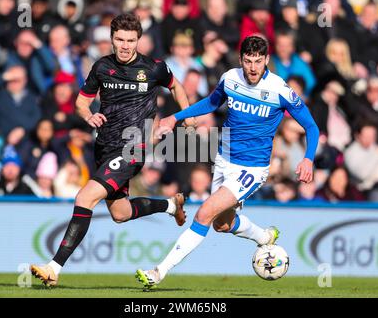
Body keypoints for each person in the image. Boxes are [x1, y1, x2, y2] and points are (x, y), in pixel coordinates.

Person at [136, 35, 319, 289]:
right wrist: (174, 118)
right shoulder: (230, 78)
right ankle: (265, 236)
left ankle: (158, 271)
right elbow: (212, 102)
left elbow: (311, 126)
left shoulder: (280, 90)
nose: (253, 67)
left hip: (252, 168)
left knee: (203, 214)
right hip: (223, 159)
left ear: (266, 60)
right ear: (241, 60)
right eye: (248, 61)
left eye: (258, 61)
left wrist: (308, 158)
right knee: (222, 224)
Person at [29, 13, 196, 287]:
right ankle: (169, 205)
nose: (126, 45)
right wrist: (88, 116)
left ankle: (53, 267)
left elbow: (176, 85)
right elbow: (81, 103)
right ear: (112, 39)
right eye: (120, 39)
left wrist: (186, 115)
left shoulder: (154, 68)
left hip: (134, 146)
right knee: (120, 213)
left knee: (84, 198)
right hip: (105, 146)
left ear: (139, 40)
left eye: (131, 40)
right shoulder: (101, 67)